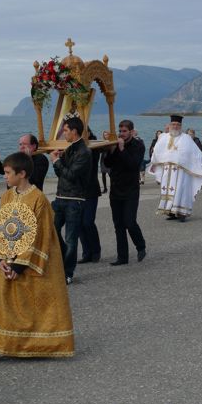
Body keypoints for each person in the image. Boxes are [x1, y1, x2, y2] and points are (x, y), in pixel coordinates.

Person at [0, 152, 74, 361]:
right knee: (2, 304)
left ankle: (34, 345)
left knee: (31, 307)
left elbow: (40, 235)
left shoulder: (39, 199)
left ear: (22, 174)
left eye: (7, 173)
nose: (4, 176)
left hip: (26, 262)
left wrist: (18, 266)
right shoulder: (7, 196)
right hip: (7, 259)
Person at [149, 115, 202, 222]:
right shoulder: (164, 137)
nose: (175, 126)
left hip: (181, 171)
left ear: (181, 126)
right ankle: (171, 211)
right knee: (168, 190)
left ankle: (181, 213)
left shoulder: (186, 138)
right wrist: (155, 163)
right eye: (173, 124)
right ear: (170, 125)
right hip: (167, 169)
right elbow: (157, 151)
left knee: (181, 190)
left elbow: (195, 154)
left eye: (178, 125)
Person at [50, 117, 91, 285]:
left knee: (71, 238)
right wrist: (58, 161)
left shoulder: (84, 152)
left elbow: (72, 175)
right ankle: (59, 262)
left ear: (74, 131)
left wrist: (57, 161)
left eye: (65, 130)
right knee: (51, 230)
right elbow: (62, 174)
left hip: (75, 200)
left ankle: (67, 272)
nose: (64, 134)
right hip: (60, 197)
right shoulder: (69, 149)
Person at [103, 120, 147, 265]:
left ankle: (140, 246)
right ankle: (122, 257)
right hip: (116, 189)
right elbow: (108, 164)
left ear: (132, 132)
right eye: (120, 131)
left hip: (131, 190)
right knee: (118, 225)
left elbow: (133, 165)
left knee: (129, 221)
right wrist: (111, 150)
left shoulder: (138, 145)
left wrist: (121, 149)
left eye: (124, 131)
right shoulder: (116, 145)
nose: (122, 134)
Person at [77, 127, 102, 264]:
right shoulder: (74, 147)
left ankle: (96, 250)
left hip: (91, 190)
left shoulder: (93, 146)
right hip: (77, 191)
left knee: (88, 222)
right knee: (79, 223)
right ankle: (87, 252)